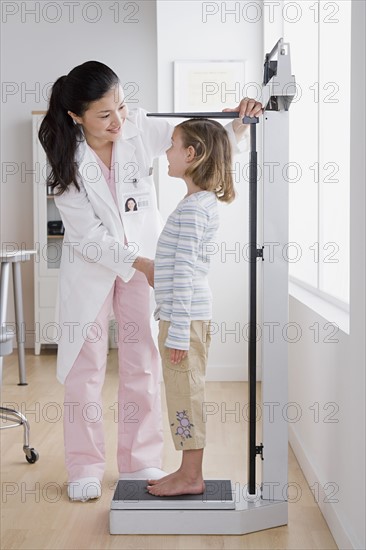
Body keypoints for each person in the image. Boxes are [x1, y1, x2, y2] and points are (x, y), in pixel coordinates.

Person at [38, 60, 263, 502]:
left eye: (121, 106)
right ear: (75, 116)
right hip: (96, 267)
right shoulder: (65, 155)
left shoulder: (138, 125)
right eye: (104, 115)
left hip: (148, 265)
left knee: (142, 361)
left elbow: (198, 143)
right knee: (86, 370)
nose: (119, 121)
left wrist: (236, 120)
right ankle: (84, 464)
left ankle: (140, 458)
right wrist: (141, 263)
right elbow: (86, 236)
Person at [146, 119, 234, 497]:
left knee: (186, 393)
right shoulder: (195, 201)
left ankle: (191, 476)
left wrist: (178, 331)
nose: (166, 152)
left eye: (171, 145)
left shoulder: (196, 208)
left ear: (191, 154)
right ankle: (186, 470)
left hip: (186, 320)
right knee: (183, 392)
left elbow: (184, 273)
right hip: (182, 316)